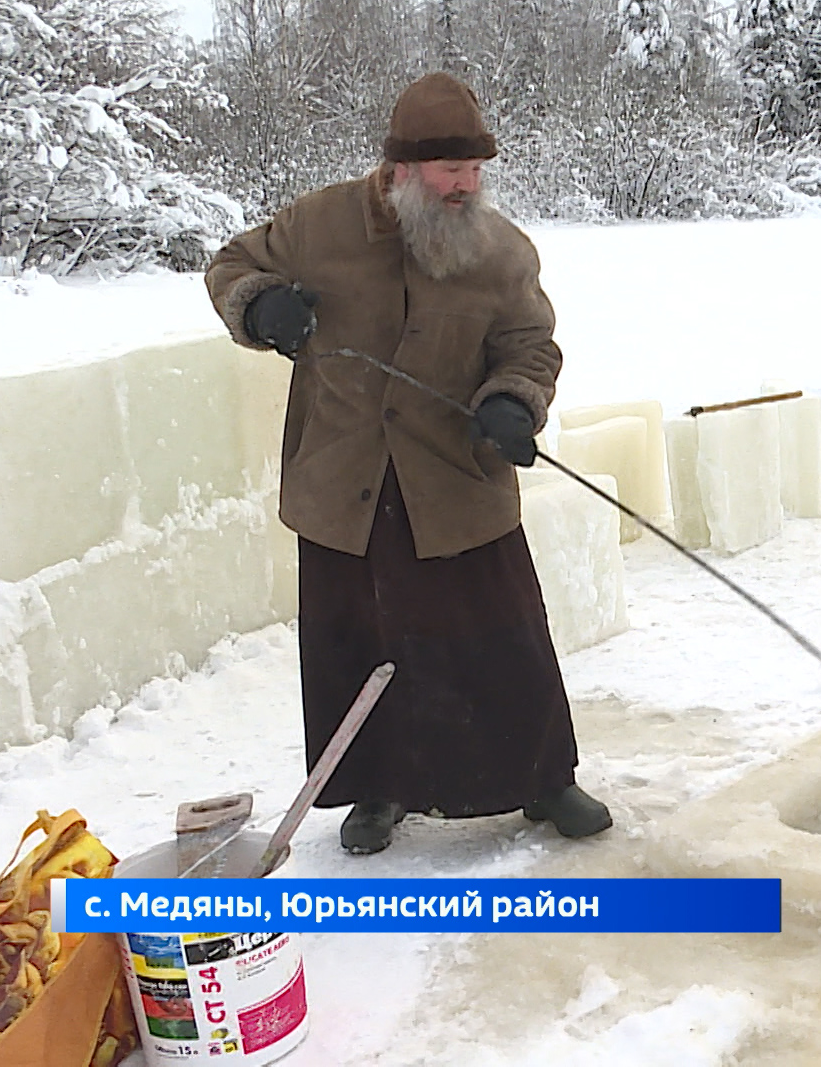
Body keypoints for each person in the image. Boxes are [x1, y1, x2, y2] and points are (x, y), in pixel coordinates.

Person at [206, 72, 611, 854]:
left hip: (456, 479)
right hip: (343, 479)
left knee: (502, 637)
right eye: (451, 170)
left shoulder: (502, 252)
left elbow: (530, 346)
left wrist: (512, 402)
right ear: (401, 168)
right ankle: (376, 789)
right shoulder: (317, 225)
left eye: (475, 170)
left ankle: (543, 779)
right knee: (358, 640)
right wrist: (260, 305)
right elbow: (229, 266)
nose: (467, 186)